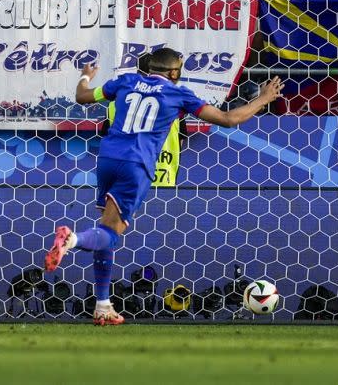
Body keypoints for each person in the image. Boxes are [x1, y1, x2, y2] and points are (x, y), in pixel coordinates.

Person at [43, 47, 283, 325]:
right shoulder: (177, 94)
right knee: (109, 233)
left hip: (107, 158)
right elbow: (229, 119)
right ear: (174, 73)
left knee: (105, 228)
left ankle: (103, 305)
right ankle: (71, 240)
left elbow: (82, 96)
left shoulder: (126, 81)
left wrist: (85, 77)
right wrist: (264, 98)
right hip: (137, 165)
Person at [106, 53, 183, 188]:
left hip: (127, 176)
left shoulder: (116, 104)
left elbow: (107, 141)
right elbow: (180, 139)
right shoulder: (175, 103)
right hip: (163, 176)